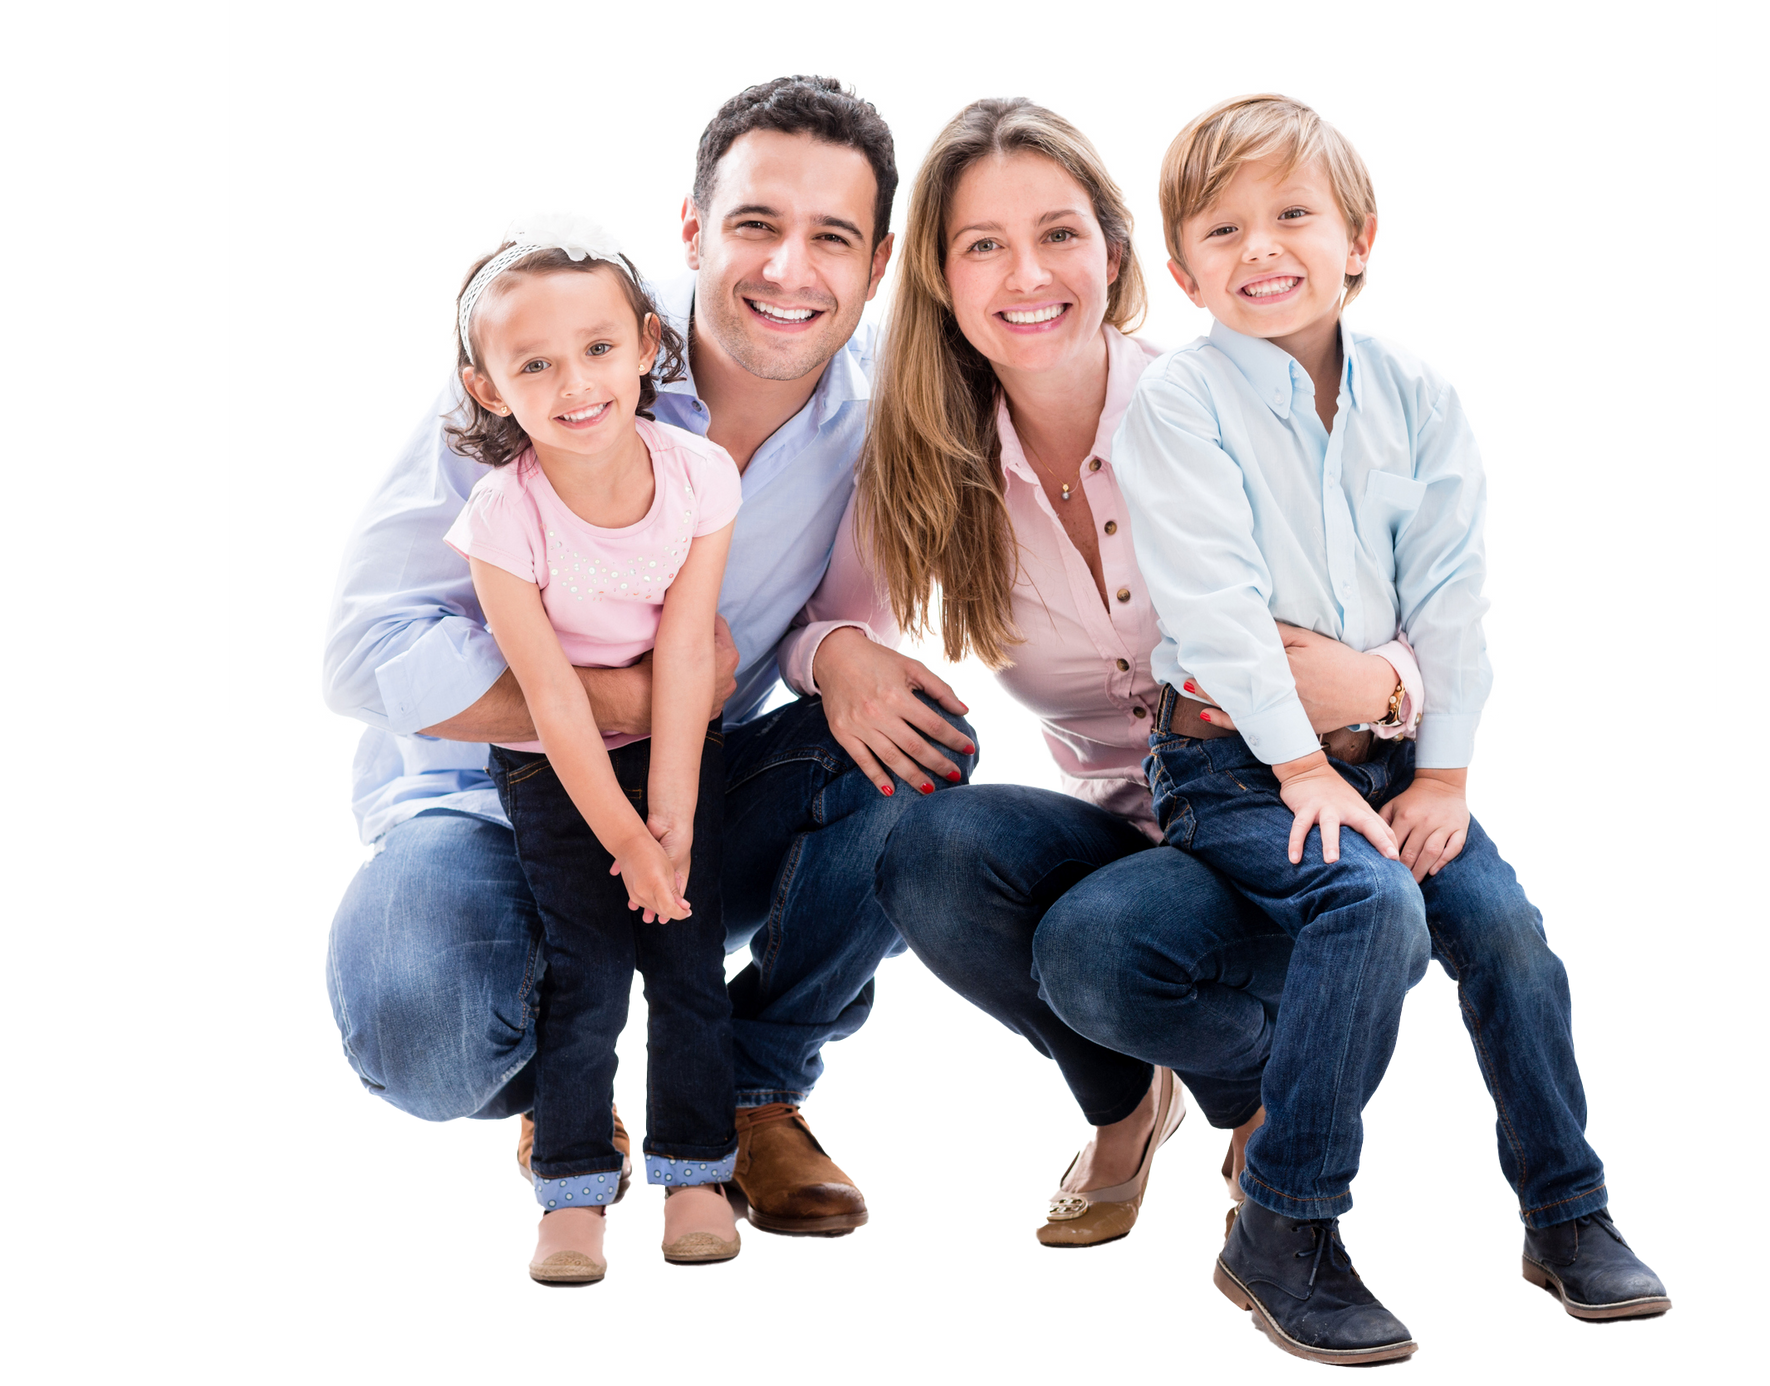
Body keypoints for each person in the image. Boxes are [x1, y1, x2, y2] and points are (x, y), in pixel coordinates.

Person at [322, 77, 978, 1249]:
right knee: (421, 1034)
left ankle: (747, 1082)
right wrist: (629, 695)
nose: (790, 270)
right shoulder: (556, 355)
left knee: (929, 744)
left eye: (832, 237)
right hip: (486, 800)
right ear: (691, 227)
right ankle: (563, 1092)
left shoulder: (880, 414)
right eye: (755, 226)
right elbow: (365, 651)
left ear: (878, 264)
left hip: (695, 791)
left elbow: (815, 619)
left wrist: (841, 652)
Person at [780, 97, 1422, 1268]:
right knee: (923, 847)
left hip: (1287, 834)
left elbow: (1432, 605)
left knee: (1096, 948)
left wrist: (1381, 683)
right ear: (938, 276)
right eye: (984, 244)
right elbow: (818, 613)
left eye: (1059, 234)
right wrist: (839, 654)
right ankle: (1129, 1103)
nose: (1028, 273)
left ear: (1116, 256)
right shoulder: (933, 458)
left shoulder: (1228, 410)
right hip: (1126, 831)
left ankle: (1243, 1097)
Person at [1112, 93, 1674, 1365]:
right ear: (1183, 266)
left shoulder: (1416, 396)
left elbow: (1454, 596)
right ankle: (1284, 1225)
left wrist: (1448, 778)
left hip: (1396, 762)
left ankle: (1567, 1215)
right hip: (1234, 767)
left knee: (1510, 935)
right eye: (1224, 229)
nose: (1262, 250)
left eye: (1293, 216)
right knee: (1373, 909)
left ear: (1359, 236)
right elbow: (1217, 609)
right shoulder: (1179, 407)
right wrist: (1303, 767)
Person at [442, 219, 744, 1284]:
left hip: (671, 741)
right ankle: (570, 1190)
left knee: (688, 966)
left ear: (649, 342)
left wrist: (670, 825)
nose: (576, 382)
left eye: (600, 348)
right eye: (535, 364)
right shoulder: (502, 518)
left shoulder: (701, 477)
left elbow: (688, 656)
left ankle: (697, 1171)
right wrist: (621, 837)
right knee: (591, 971)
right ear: (492, 391)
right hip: (551, 759)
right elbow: (555, 704)